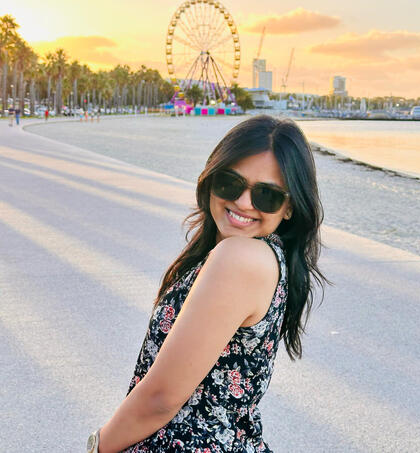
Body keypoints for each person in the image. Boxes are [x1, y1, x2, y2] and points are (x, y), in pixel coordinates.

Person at [87, 115, 328, 453]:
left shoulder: (239, 257)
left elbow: (161, 398)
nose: (244, 202)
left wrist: (98, 446)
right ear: (211, 179)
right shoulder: (262, 256)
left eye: (267, 195)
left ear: (289, 207)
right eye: (230, 183)